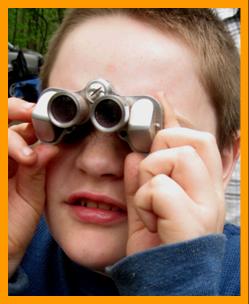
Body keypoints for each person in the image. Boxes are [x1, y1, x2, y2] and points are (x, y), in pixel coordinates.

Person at [8, 8, 240, 295]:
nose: (96, 162)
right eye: (69, 122)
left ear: (224, 160)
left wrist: (179, 281)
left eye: (146, 134)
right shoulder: (17, 239)